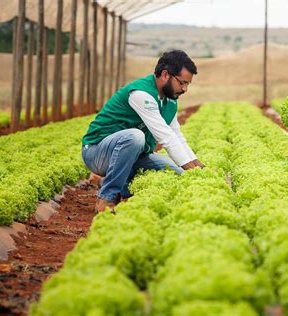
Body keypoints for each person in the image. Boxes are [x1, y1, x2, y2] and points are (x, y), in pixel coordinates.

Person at [81, 50, 204, 213]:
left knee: (178, 171)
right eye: (182, 82)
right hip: (97, 153)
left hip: (133, 156)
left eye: (187, 84)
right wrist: (192, 170)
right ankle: (107, 198)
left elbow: (176, 136)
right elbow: (165, 137)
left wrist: (200, 169)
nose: (185, 89)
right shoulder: (141, 94)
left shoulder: (169, 101)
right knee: (135, 137)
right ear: (166, 75)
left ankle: (127, 194)